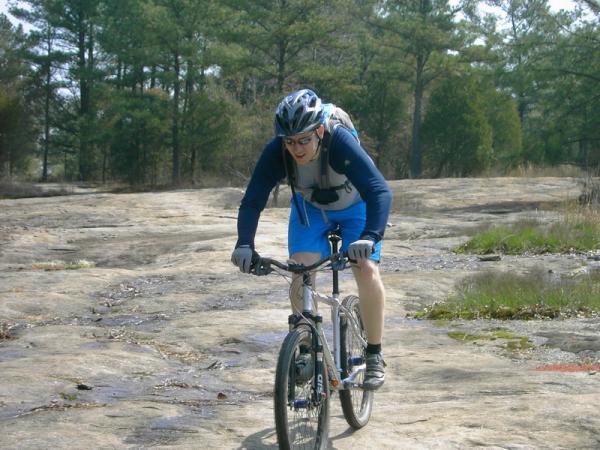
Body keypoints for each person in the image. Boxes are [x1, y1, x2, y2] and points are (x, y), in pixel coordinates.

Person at [231, 89, 392, 390]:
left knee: (365, 268)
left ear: (319, 131)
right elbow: (252, 200)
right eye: (290, 141)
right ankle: (305, 346)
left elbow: (379, 191)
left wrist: (370, 237)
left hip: (355, 208)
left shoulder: (340, 142)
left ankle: (374, 354)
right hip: (311, 209)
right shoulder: (277, 151)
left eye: (304, 139)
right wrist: (244, 243)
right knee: (299, 270)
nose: (297, 149)